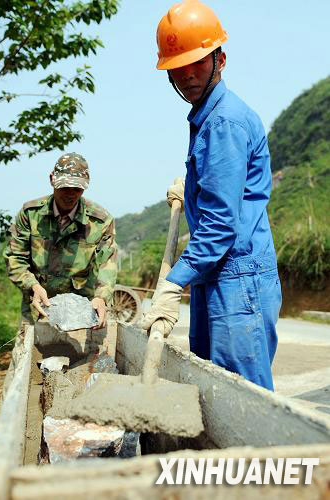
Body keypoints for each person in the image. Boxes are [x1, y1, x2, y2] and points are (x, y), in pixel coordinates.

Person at [141, 0, 282, 390]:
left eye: (197, 62)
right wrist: (189, 191)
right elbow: (225, 195)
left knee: (243, 401)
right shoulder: (208, 116)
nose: (187, 75)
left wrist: (174, 282)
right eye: (177, 68)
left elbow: (221, 224)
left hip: (237, 279)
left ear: (221, 58)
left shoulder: (224, 122)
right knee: (213, 389)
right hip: (217, 276)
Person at [4, 152, 117, 328]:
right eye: (65, 187)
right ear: (52, 179)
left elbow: (107, 264)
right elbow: (15, 258)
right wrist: (32, 285)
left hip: (82, 313)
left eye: (77, 189)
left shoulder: (100, 221)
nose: (70, 195)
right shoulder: (30, 214)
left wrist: (102, 297)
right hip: (37, 308)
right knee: (28, 353)